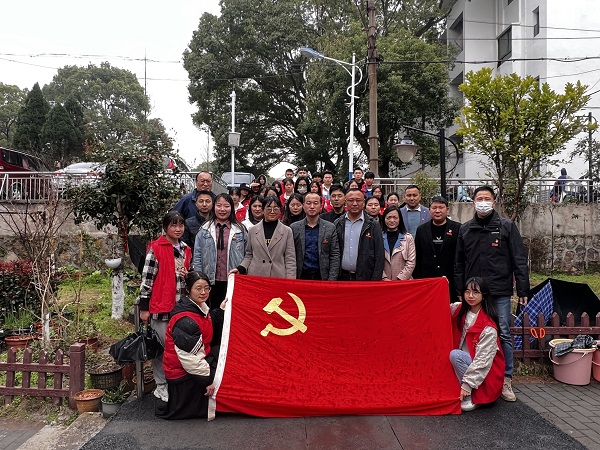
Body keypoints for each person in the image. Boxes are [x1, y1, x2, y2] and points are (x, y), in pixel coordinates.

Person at [455, 185, 529, 402]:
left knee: (503, 333)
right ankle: (475, 376)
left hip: (499, 290)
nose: (483, 202)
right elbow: (459, 263)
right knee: (473, 333)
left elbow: (519, 259)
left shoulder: (507, 227)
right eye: (479, 198)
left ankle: (506, 378)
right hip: (474, 293)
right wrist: (461, 290)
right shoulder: (465, 229)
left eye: (487, 198)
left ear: (494, 201)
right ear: (473, 202)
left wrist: (523, 288)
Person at [156, 271, 225, 420]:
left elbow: (207, 322)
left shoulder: (197, 308)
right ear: (188, 289)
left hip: (193, 364)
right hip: (182, 375)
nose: (203, 292)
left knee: (224, 353)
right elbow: (191, 361)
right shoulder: (185, 321)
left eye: (206, 288)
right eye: (198, 288)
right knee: (225, 375)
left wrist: (221, 310)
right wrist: (209, 381)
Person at [139, 211, 191, 403]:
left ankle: (176, 383)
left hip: (181, 306)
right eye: (173, 225)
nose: (177, 229)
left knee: (178, 347)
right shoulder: (156, 248)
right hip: (161, 306)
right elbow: (147, 279)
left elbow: (189, 276)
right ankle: (161, 385)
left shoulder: (186, 249)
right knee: (161, 348)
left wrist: (188, 275)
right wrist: (144, 308)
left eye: (180, 225)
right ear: (165, 227)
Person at [449, 277, 505, 412]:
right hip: (468, 359)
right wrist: (440, 284)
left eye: (475, 292)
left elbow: (483, 360)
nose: (470, 296)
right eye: (467, 291)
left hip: (486, 370)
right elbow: (438, 305)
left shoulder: (488, 326)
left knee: (455, 355)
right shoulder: (459, 309)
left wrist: (467, 385)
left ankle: (470, 395)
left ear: (484, 295)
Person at [193, 193, 247, 309]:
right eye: (219, 205)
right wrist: (198, 278)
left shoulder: (240, 230)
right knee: (210, 310)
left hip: (232, 278)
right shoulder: (204, 229)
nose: (222, 209)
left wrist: (242, 270)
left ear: (232, 208)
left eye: (226, 206)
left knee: (230, 310)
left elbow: (248, 254)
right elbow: (197, 256)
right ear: (214, 207)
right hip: (209, 279)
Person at [232, 196, 296, 278]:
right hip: (256, 276)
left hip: (277, 276)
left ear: (280, 210)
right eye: (268, 209)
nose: (272, 212)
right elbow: (249, 255)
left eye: (275, 208)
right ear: (263, 210)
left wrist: (290, 280)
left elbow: (290, 259)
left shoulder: (287, 231)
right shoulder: (252, 230)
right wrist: (240, 268)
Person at [413, 196, 461, 301]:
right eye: (434, 208)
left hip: (451, 281)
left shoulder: (458, 228)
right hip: (427, 281)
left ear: (447, 209)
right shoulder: (421, 230)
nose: (437, 211)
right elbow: (418, 256)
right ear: (429, 210)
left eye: (441, 207)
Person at [335, 188, 384, 281]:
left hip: (365, 278)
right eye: (351, 200)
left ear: (363, 202)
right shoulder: (338, 223)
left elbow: (379, 255)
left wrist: (375, 280)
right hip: (342, 278)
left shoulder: (373, 225)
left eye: (358, 200)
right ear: (345, 202)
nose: (354, 204)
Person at [290, 192, 340, 280]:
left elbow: (335, 255)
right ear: (303, 206)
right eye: (308, 203)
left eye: (315, 203)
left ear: (321, 206)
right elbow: (290, 255)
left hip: (322, 277)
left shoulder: (330, 227)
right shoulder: (294, 228)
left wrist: (332, 279)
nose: (312, 206)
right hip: (301, 276)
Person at [380, 205, 415, 281]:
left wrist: (400, 279)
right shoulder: (378, 237)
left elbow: (411, 262)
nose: (392, 220)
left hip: (403, 282)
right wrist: (384, 278)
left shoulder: (408, 238)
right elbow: (375, 261)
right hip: (383, 283)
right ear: (384, 219)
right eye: (389, 217)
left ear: (400, 219)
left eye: (395, 217)